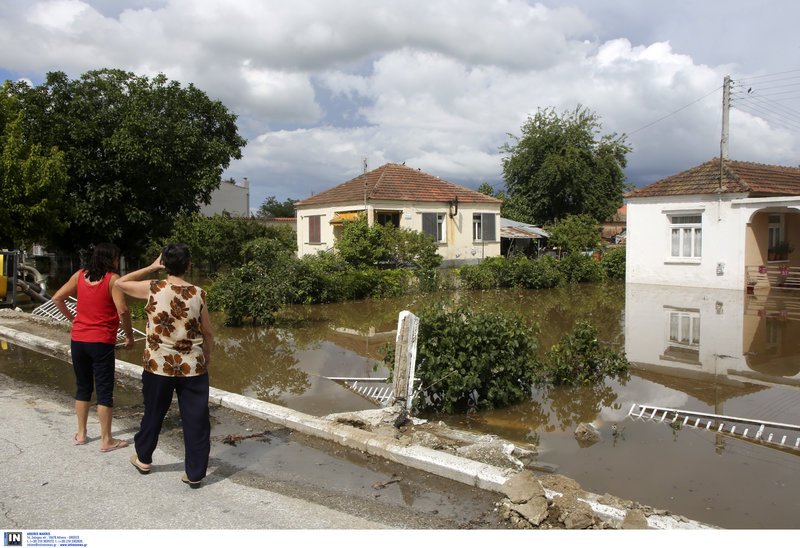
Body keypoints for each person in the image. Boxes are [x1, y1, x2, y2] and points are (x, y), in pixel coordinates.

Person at [115, 243, 214, 488]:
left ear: (165, 265)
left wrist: (151, 267)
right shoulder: (198, 294)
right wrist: (207, 356)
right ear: (188, 266)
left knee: (153, 413)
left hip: (158, 366)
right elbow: (208, 333)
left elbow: (119, 283)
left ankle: (144, 458)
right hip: (192, 366)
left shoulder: (153, 287)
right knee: (196, 420)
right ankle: (195, 473)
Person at [52, 243, 134, 452]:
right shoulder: (112, 280)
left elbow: (57, 298)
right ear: (111, 259)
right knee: (104, 390)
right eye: (117, 258)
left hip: (78, 340)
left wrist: (73, 319)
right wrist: (129, 336)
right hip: (101, 342)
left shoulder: (80, 275)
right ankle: (107, 440)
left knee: (83, 386)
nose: (118, 262)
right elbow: (123, 311)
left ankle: (81, 434)